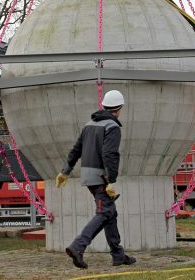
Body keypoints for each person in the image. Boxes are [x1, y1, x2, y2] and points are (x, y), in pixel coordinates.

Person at [55, 89, 136, 269]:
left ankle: (118, 255)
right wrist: (111, 181)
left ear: (105, 106)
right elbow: (110, 154)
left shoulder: (89, 124)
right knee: (104, 213)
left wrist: (65, 172)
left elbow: (76, 150)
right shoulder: (112, 127)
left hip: (88, 176)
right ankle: (78, 246)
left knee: (110, 213)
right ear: (119, 108)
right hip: (101, 177)